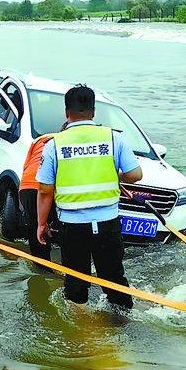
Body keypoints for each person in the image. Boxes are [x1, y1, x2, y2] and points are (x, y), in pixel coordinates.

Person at [36, 85, 143, 308]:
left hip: (72, 227)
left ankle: (80, 333)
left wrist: (41, 224)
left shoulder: (54, 145)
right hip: (108, 224)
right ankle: (122, 326)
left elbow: (45, 190)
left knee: (76, 282)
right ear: (93, 112)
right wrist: (117, 178)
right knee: (114, 279)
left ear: (67, 113)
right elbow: (136, 175)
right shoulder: (114, 139)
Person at [17, 122, 67, 258]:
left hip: (26, 186)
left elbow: (26, 166)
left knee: (36, 228)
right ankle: (65, 270)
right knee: (63, 229)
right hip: (46, 187)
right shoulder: (66, 144)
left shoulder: (40, 140)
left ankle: (40, 267)